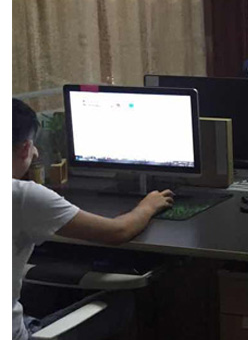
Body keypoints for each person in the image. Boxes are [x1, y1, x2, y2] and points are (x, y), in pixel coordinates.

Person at [12, 99, 175, 340]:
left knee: (47, 291)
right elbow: (117, 232)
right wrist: (148, 206)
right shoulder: (22, 196)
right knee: (122, 302)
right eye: (33, 145)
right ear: (25, 148)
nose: (36, 152)